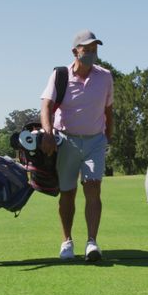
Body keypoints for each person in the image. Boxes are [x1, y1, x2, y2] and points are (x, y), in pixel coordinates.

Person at [40, 29, 114, 262]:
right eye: (87, 49)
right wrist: (48, 133)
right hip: (67, 140)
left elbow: (108, 109)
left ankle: (92, 242)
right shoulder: (60, 75)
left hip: (95, 141)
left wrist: (109, 137)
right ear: (75, 51)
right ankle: (67, 241)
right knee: (68, 192)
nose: (91, 53)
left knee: (93, 188)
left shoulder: (105, 76)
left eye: (95, 49)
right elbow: (46, 105)